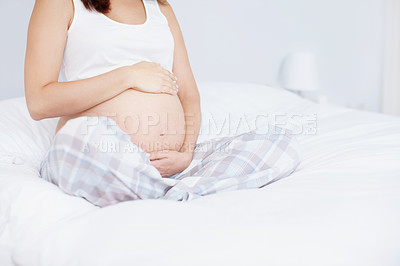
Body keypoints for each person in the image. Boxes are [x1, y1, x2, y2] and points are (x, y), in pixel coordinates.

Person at [25, 0, 301, 206]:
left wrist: (185, 154)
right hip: (98, 152)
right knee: (71, 145)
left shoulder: (161, 9)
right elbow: (39, 101)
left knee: (278, 141)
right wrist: (128, 76)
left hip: (172, 168)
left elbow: (189, 95)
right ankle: (176, 195)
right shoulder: (60, 3)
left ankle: (162, 191)